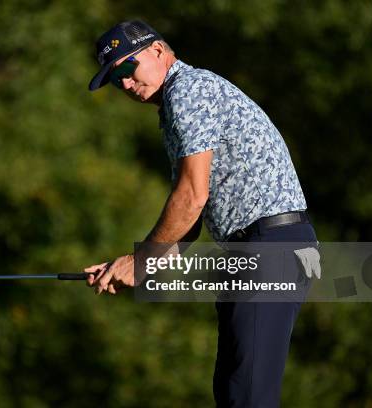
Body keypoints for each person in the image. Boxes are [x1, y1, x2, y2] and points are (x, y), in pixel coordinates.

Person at [84, 20, 320, 407]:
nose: (125, 84)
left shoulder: (189, 90)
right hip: (257, 250)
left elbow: (192, 196)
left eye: (127, 68)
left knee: (247, 397)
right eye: (114, 80)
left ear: (158, 51)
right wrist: (129, 265)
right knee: (233, 393)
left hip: (269, 248)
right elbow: (188, 226)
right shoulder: (179, 102)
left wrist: (142, 260)